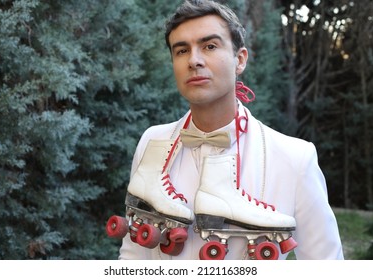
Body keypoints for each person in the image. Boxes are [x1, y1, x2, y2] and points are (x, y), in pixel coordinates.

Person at [118, 0, 344, 260]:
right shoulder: (152, 141)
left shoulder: (295, 158)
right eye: (181, 51)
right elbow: (133, 254)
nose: (194, 60)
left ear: (240, 60)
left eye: (210, 46)